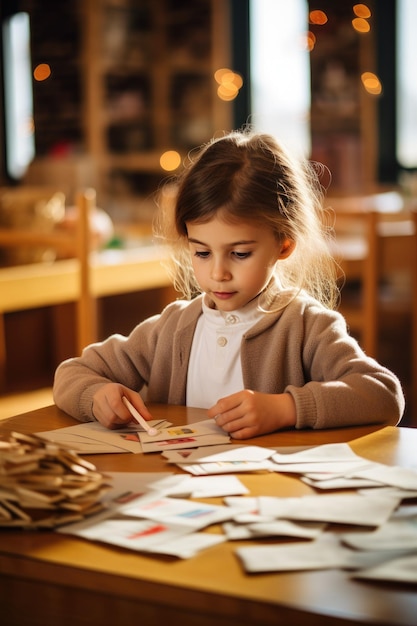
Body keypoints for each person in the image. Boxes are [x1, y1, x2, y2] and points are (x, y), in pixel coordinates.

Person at [53, 130, 405, 438]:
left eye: (239, 254)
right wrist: (97, 397)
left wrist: (285, 409)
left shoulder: (306, 325)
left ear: (284, 245)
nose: (218, 273)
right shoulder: (171, 328)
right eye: (202, 253)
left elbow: (383, 395)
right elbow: (72, 373)